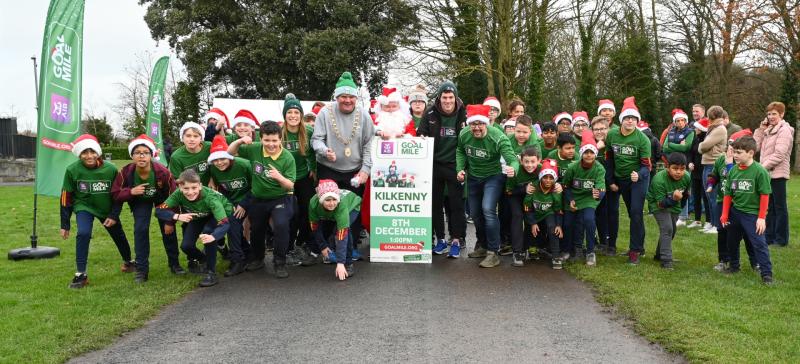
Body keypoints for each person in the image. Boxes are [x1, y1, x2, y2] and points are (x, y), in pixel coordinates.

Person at [311, 71, 374, 258]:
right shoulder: (324, 112)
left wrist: (365, 170)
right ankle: (328, 249)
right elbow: (316, 140)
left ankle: (350, 247)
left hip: (354, 171)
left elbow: (369, 143)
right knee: (328, 209)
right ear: (336, 97)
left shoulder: (363, 115)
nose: (347, 100)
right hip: (328, 169)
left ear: (356, 97)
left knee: (352, 211)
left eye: (351, 97)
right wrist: (324, 150)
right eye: (343, 97)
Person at [61, 134, 133, 288]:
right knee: (83, 233)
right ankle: (81, 274)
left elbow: (119, 195)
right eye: (84, 153)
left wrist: (114, 215)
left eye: (92, 152)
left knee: (118, 235)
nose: (89, 156)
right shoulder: (72, 170)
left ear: (98, 152)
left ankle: (129, 262)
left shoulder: (111, 169)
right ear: (79, 154)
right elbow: (65, 197)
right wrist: (65, 224)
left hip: (106, 208)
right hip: (84, 207)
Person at [112, 134, 184, 283]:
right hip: (140, 201)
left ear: (151, 155)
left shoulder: (162, 172)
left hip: (162, 200)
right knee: (140, 229)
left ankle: (174, 264)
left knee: (168, 230)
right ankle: (142, 270)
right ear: (132, 156)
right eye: (137, 153)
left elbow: (174, 195)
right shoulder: (126, 172)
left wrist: (170, 219)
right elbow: (115, 193)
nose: (141, 156)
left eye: (145, 153)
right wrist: (130, 192)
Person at [228, 121, 297, 278]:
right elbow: (230, 152)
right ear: (261, 138)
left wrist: (279, 177)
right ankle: (258, 258)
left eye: (274, 140)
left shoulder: (287, 158)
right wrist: (240, 141)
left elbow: (290, 185)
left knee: (281, 225)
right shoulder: (254, 148)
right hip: (258, 198)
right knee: (257, 228)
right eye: (267, 140)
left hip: (281, 197)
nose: (271, 144)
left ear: (281, 140)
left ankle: (280, 262)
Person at [456, 104, 518, 268]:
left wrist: (513, 168)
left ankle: (493, 252)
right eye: (473, 124)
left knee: (488, 210)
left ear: (486, 123)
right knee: (475, 214)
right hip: (474, 178)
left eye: (480, 124)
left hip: (493, 177)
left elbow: (512, 159)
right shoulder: (464, 134)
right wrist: (460, 168)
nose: (476, 128)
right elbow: (460, 151)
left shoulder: (497, 137)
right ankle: (482, 245)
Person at [156, 169, 232, 287]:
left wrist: (213, 236)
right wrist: (177, 216)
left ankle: (211, 273)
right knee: (186, 246)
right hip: (198, 216)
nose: (190, 192)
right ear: (180, 187)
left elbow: (224, 223)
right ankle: (205, 259)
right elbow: (159, 210)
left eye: (194, 188)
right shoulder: (177, 194)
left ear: (200, 186)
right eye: (186, 188)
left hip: (218, 214)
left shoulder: (211, 198)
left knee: (208, 233)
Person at [418, 81, 467, 258]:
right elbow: (421, 133)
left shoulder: (464, 113)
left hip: (455, 164)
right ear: (439, 98)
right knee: (435, 205)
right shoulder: (430, 112)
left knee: (456, 205)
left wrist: (464, 166)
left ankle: (455, 239)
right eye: (444, 97)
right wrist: (422, 138)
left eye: (450, 97)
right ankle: (440, 240)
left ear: (455, 98)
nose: (447, 101)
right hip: (434, 164)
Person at [720, 136, 774, 285]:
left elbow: (764, 195)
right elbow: (728, 194)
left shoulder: (759, 171)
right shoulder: (733, 171)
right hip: (736, 212)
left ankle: (766, 274)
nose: (735, 155)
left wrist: (761, 217)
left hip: (753, 215)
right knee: (732, 241)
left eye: (738, 152)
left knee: (759, 243)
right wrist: (725, 214)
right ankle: (734, 266)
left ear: (750, 153)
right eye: (734, 152)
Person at [605, 97, 651, 264]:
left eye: (633, 118)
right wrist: (610, 179)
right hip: (621, 179)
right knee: (634, 214)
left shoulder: (642, 139)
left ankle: (634, 250)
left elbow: (647, 167)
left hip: (638, 180)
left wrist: (638, 174)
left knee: (636, 212)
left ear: (637, 121)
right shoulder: (612, 135)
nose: (630, 121)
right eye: (627, 118)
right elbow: (609, 159)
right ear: (622, 120)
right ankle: (641, 247)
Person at [708, 129, 756, 272]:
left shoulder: (744, 163)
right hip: (722, 201)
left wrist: (730, 164)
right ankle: (724, 260)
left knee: (747, 234)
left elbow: (733, 179)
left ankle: (755, 262)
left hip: (741, 204)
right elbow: (714, 174)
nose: (732, 150)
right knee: (722, 230)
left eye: (735, 147)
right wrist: (711, 184)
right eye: (730, 146)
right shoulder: (721, 159)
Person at [206, 135, 252, 277]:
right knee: (231, 221)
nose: (219, 163)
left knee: (232, 222)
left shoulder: (244, 165)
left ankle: (238, 258)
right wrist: (230, 204)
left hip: (253, 198)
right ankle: (243, 254)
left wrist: (243, 204)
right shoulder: (214, 169)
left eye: (223, 158)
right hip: (232, 201)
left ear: (230, 157)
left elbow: (257, 185)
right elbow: (222, 188)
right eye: (215, 160)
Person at [281, 94, 316, 265]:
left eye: (296, 112)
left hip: (303, 176)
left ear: (301, 115)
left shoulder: (308, 131)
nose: (293, 115)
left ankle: (303, 243)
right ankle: (287, 248)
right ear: (285, 115)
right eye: (290, 112)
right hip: (285, 179)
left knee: (307, 211)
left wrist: (314, 169)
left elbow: (316, 152)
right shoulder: (280, 133)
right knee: (290, 213)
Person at [753, 101, 794, 247]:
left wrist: (761, 168)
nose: (770, 116)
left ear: (781, 114)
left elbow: (779, 154)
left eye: (774, 114)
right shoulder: (768, 130)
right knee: (768, 207)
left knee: (779, 207)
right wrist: (760, 129)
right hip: (767, 174)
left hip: (778, 174)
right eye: (769, 114)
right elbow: (754, 147)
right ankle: (769, 237)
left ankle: (781, 239)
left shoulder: (785, 130)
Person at [563, 131, 606, 266]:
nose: (589, 155)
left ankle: (590, 251)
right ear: (581, 153)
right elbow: (566, 186)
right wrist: (570, 200)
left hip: (589, 198)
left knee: (589, 220)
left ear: (595, 154)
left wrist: (598, 194)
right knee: (568, 223)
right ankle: (571, 250)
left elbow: (601, 188)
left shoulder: (599, 168)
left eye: (591, 152)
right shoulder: (572, 167)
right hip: (574, 197)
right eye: (586, 152)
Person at [309, 179, 362, 279]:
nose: (332, 203)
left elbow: (343, 235)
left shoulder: (341, 205)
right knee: (327, 230)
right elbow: (315, 227)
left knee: (342, 232)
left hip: (352, 206)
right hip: (331, 213)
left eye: (334, 200)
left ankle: (348, 263)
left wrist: (341, 262)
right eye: (328, 200)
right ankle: (327, 251)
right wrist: (323, 246)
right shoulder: (313, 204)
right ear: (321, 200)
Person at [647, 152, 691, 269]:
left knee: (672, 230)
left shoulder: (686, 177)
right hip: (658, 205)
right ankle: (666, 260)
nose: (678, 172)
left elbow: (685, 194)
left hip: (675, 204)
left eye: (682, 169)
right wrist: (673, 198)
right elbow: (661, 204)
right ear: (667, 167)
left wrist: (679, 206)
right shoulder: (659, 180)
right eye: (675, 168)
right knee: (667, 228)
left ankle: (658, 255)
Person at [524, 159, 564, 269]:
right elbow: (527, 207)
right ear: (540, 177)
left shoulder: (556, 191)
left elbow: (558, 209)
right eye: (545, 177)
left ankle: (556, 256)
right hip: (534, 212)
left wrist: (559, 225)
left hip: (548, 212)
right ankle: (530, 248)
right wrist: (532, 222)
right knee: (530, 227)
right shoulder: (533, 187)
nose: (548, 180)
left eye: (551, 178)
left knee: (553, 228)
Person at [505, 146, 541, 266]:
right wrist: (524, 188)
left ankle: (527, 246)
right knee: (517, 216)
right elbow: (509, 191)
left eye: (532, 161)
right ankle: (517, 251)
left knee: (532, 218)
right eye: (526, 161)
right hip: (515, 196)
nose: (529, 165)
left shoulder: (541, 170)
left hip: (531, 198)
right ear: (521, 161)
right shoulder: (516, 171)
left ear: (538, 160)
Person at [660, 109, 694, 226]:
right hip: (671, 163)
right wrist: (678, 145)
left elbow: (686, 147)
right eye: (678, 120)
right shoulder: (671, 131)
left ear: (686, 121)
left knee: (683, 189)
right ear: (674, 122)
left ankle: (683, 215)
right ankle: (671, 209)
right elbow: (664, 148)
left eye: (682, 120)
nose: (680, 123)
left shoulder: (690, 132)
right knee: (670, 187)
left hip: (683, 163)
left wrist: (671, 145)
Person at [698, 106, 728, 234]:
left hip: (713, 164)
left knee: (714, 196)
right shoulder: (714, 128)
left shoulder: (720, 129)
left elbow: (704, 145)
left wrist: (701, 146)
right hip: (707, 163)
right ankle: (712, 222)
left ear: (713, 117)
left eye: (709, 117)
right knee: (708, 196)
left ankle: (717, 225)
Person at [591, 116, 612, 254]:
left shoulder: (612, 142)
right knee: (595, 212)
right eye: (596, 129)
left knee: (608, 212)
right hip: (595, 184)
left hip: (610, 183)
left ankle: (607, 241)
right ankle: (595, 240)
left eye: (602, 129)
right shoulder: (590, 144)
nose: (599, 132)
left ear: (608, 128)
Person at [688, 117, 712, 230]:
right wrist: (690, 162)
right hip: (695, 172)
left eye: (697, 127)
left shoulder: (707, 140)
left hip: (704, 171)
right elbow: (691, 152)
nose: (695, 129)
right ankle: (697, 220)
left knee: (706, 197)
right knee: (696, 196)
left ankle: (709, 220)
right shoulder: (695, 138)